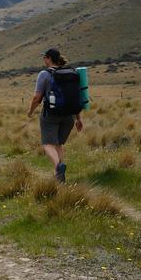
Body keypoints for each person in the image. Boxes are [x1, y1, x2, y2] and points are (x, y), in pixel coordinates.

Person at [27, 48, 83, 183]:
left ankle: (58, 167)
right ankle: (58, 176)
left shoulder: (44, 74)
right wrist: (79, 119)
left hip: (51, 115)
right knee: (58, 144)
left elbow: (37, 97)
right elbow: (74, 97)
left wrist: (30, 111)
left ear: (49, 58)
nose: (44, 60)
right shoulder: (71, 73)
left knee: (47, 144)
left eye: (44, 57)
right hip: (69, 116)